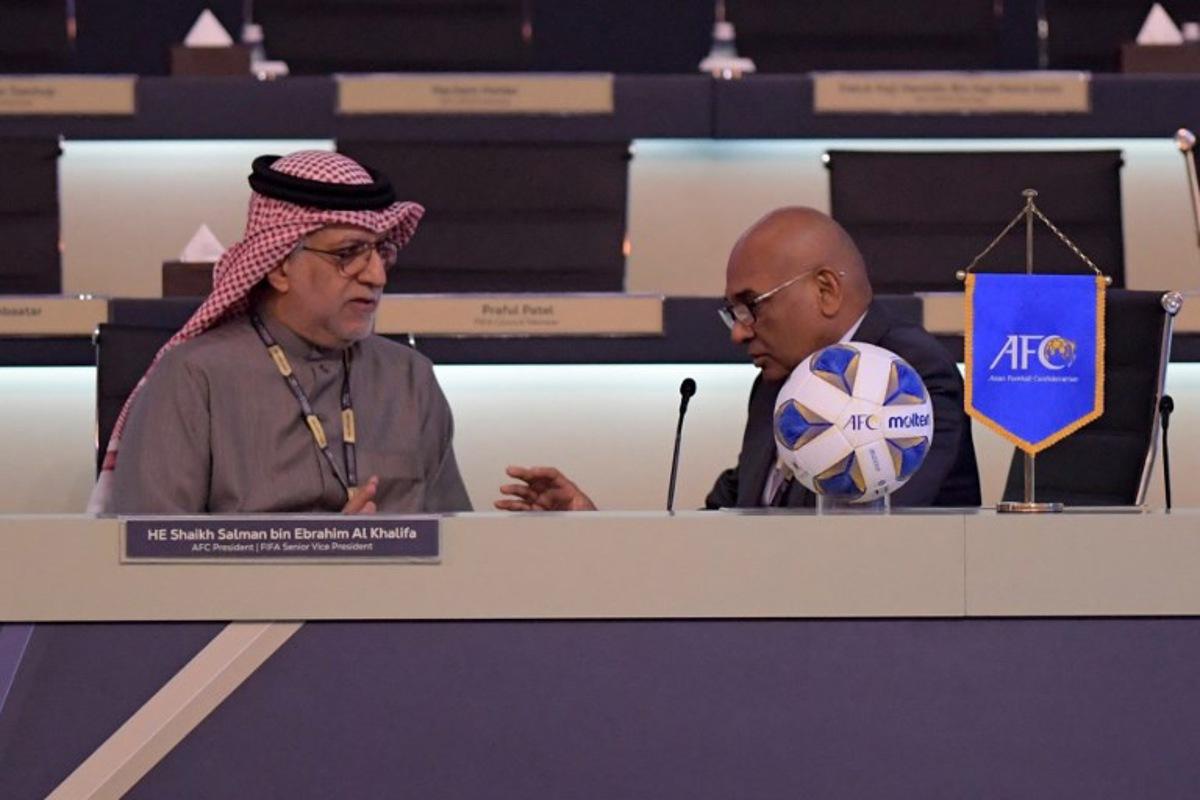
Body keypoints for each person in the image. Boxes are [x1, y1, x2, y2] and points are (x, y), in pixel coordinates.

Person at [496, 206, 980, 511]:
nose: (740, 332)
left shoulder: (908, 375)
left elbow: (870, 545)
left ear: (826, 290)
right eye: (734, 313)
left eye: (752, 306)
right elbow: (725, 525)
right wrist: (595, 526)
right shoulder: (778, 384)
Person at [90, 150, 470, 514]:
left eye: (380, 251)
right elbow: (150, 557)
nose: (376, 275)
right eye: (348, 253)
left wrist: (525, 530)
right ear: (279, 267)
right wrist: (321, 552)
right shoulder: (194, 380)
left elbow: (456, 548)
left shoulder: (410, 379)